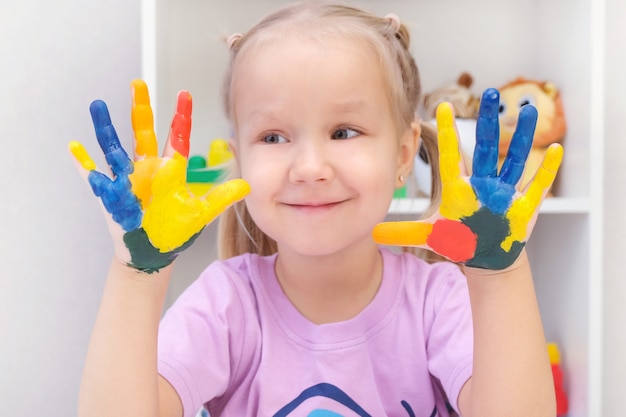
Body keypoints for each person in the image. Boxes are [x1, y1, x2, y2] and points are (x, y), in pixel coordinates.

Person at [71, 1, 563, 416]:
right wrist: (136, 275)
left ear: (403, 154)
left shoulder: (437, 302)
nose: (309, 167)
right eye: (273, 136)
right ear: (239, 158)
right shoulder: (226, 305)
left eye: (344, 132)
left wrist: (501, 276)